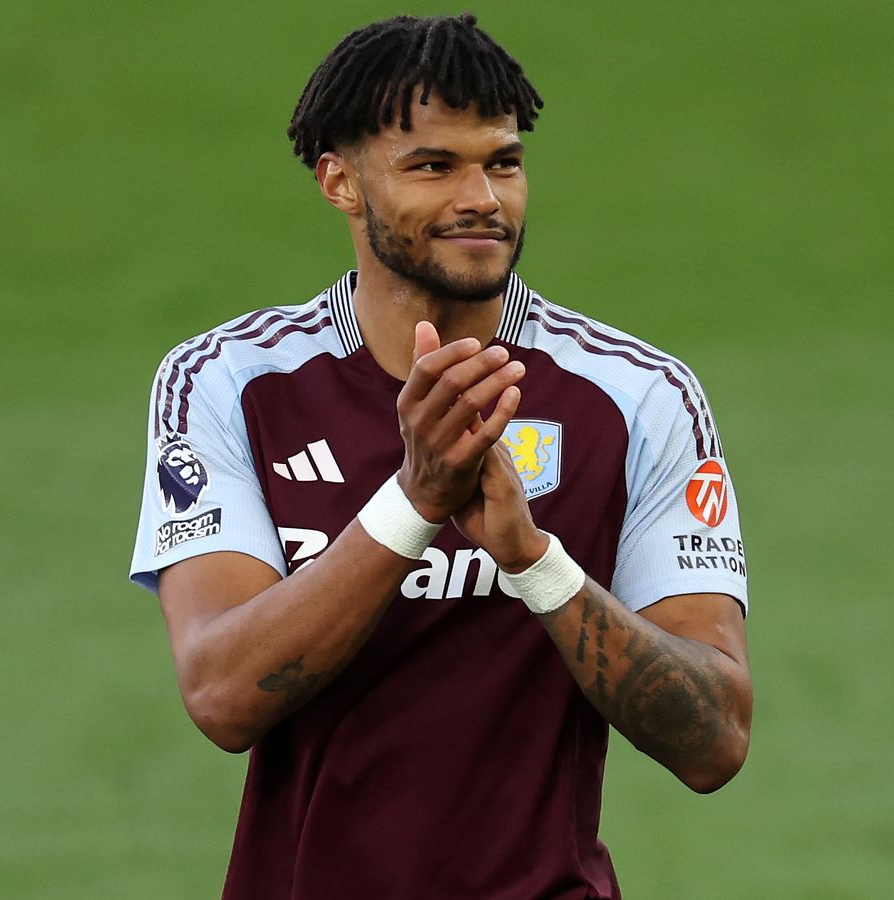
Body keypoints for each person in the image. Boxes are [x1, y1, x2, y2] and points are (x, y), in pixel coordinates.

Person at [129, 13, 752, 899]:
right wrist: (414, 502)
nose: (483, 198)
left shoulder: (638, 398)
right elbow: (223, 696)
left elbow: (716, 740)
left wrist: (534, 563)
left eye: (504, 161)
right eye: (433, 166)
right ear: (340, 182)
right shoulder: (228, 383)